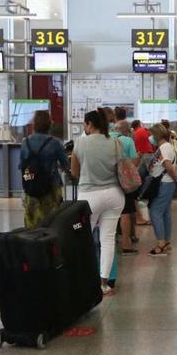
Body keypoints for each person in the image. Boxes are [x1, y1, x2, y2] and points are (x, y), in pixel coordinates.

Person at [72, 110, 126, 293]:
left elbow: (74, 172)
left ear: (89, 124)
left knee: (83, 239)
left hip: (89, 196)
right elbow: (123, 168)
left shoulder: (80, 142)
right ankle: (104, 283)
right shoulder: (115, 142)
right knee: (108, 239)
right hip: (114, 194)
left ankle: (85, 280)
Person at [21, 110, 70, 228]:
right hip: (51, 187)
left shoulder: (25, 142)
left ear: (34, 124)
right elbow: (65, 164)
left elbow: (21, 166)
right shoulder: (55, 143)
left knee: (32, 223)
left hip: (31, 186)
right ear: (49, 124)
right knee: (52, 221)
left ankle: (32, 244)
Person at [146, 124, 177, 256]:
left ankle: (160, 243)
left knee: (155, 212)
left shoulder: (165, 147)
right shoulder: (166, 146)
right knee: (165, 213)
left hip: (163, 183)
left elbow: (167, 165)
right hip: (166, 183)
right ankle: (166, 241)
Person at [111, 120, 142, 255]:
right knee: (125, 211)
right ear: (127, 130)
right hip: (124, 182)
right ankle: (126, 242)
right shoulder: (128, 141)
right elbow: (134, 162)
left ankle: (111, 240)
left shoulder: (107, 139)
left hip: (108, 180)